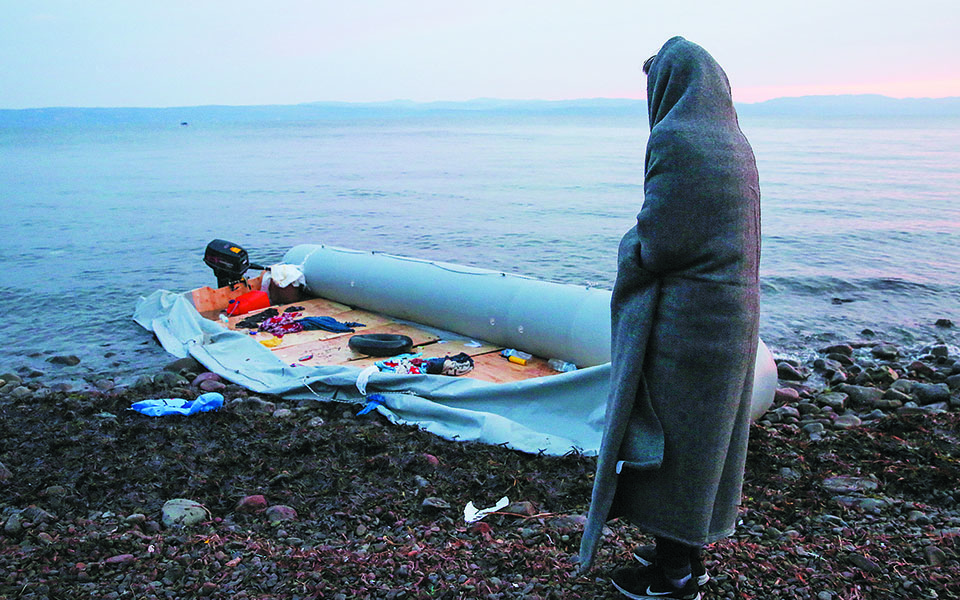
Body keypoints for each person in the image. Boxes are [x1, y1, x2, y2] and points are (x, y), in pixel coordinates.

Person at [578, 36, 762, 600]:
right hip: (731, 317)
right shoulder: (736, 139)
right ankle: (682, 552)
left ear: (670, 84)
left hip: (688, 323)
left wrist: (626, 251)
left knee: (673, 442)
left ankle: (674, 574)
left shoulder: (677, 137)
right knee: (705, 444)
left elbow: (662, 241)